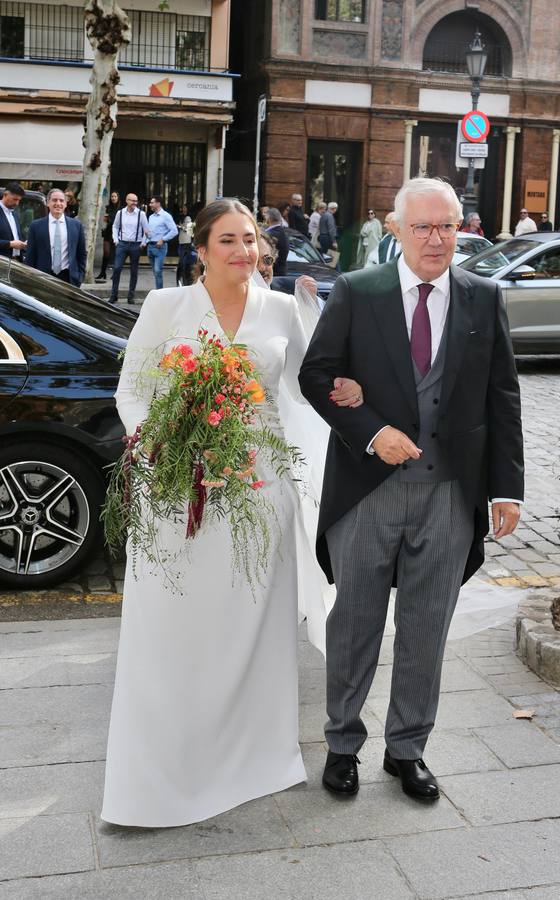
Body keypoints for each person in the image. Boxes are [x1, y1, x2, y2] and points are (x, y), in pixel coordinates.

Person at [101, 198, 363, 827]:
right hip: (178, 489)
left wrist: (353, 388)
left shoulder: (279, 309)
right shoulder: (166, 307)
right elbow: (132, 389)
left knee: (249, 623)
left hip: (256, 487)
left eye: (251, 240)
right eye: (229, 240)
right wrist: (155, 442)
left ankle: (254, 757)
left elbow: (311, 382)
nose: (245, 251)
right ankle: (163, 764)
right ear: (200, 249)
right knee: (174, 627)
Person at [299, 176, 524, 802]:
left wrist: (506, 488)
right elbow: (316, 376)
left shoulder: (483, 297)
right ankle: (342, 744)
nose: (436, 238)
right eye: (422, 226)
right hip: (367, 491)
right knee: (356, 622)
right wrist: (372, 432)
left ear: (462, 228)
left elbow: (502, 398)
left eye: (447, 225)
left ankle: (408, 750)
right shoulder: (358, 291)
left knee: (428, 625)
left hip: (450, 493)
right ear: (395, 229)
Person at [25, 188, 87, 286]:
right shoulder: (36, 226)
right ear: (47, 203)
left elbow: (82, 253)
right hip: (43, 278)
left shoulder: (76, 225)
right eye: (54, 200)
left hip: (69, 278)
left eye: (61, 200)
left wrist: (80, 276)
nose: (58, 203)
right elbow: (30, 256)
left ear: (66, 204)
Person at [110, 193, 150, 304]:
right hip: (122, 244)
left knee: (134, 271)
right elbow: (115, 226)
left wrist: (143, 242)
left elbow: (146, 230)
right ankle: (114, 295)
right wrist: (115, 239)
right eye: (132, 201)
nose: (134, 203)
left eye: (136, 201)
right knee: (117, 268)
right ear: (127, 201)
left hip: (135, 245)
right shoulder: (120, 213)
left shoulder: (141, 214)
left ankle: (130, 296)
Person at [147, 196, 178, 290]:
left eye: (152, 202)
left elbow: (174, 231)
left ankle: (159, 293)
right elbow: (149, 231)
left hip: (160, 247)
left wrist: (163, 239)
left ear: (158, 203)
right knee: (155, 272)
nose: (150, 204)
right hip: (150, 247)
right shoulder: (151, 217)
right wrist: (144, 242)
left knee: (157, 271)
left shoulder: (166, 216)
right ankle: (158, 292)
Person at [96, 190, 121, 282]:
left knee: (116, 254)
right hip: (107, 231)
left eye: (115, 196)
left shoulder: (121, 209)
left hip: (117, 233)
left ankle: (115, 273)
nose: (113, 198)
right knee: (106, 252)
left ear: (118, 198)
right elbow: (105, 219)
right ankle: (103, 272)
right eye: (112, 196)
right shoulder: (107, 207)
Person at [0, 181, 27, 260]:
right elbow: (12, 242)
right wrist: (10, 244)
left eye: (19, 200)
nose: (17, 203)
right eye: (14, 199)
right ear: (5, 194)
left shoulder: (14, 214)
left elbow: (16, 236)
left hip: (17, 261)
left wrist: (24, 243)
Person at [265, 206, 289, 276]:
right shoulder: (284, 232)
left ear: (268, 218)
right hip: (281, 272)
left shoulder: (269, 234)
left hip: (273, 274)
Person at [176, 203, 193, 279]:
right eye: (182, 207)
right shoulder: (182, 217)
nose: (183, 209)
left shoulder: (188, 218)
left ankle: (184, 273)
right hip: (182, 240)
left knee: (183, 259)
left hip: (186, 241)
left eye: (184, 207)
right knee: (181, 258)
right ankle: (182, 272)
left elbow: (189, 229)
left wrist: (180, 226)